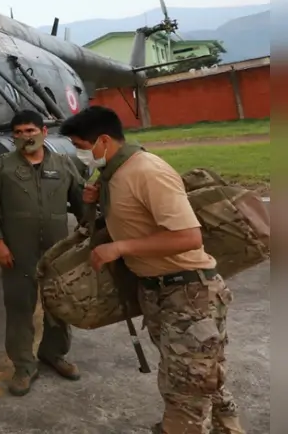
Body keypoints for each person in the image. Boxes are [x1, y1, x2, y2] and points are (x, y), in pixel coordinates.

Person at [59, 105, 244, 434]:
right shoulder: (115, 173)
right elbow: (130, 222)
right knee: (196, 376)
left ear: (102, 140)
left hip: (189, 295)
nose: (79, 154)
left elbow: (188, 236)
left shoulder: (146, 171)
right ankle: (226, 426)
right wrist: (94, 201)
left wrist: (121, 248)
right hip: (160, 292)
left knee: (186, 389)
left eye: (80, 147)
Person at [0, 109, 86, 396]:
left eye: (30, 131)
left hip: (57, 252)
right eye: (18, 132)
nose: (25, 136)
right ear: (13, 137)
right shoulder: (1, 166)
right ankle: (24, 365)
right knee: (19, 308)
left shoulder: (63, 164)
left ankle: (54, 353)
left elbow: (80, 203)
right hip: (17, 251)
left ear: (43, 132)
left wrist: (91, 234)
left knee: (58, 304)